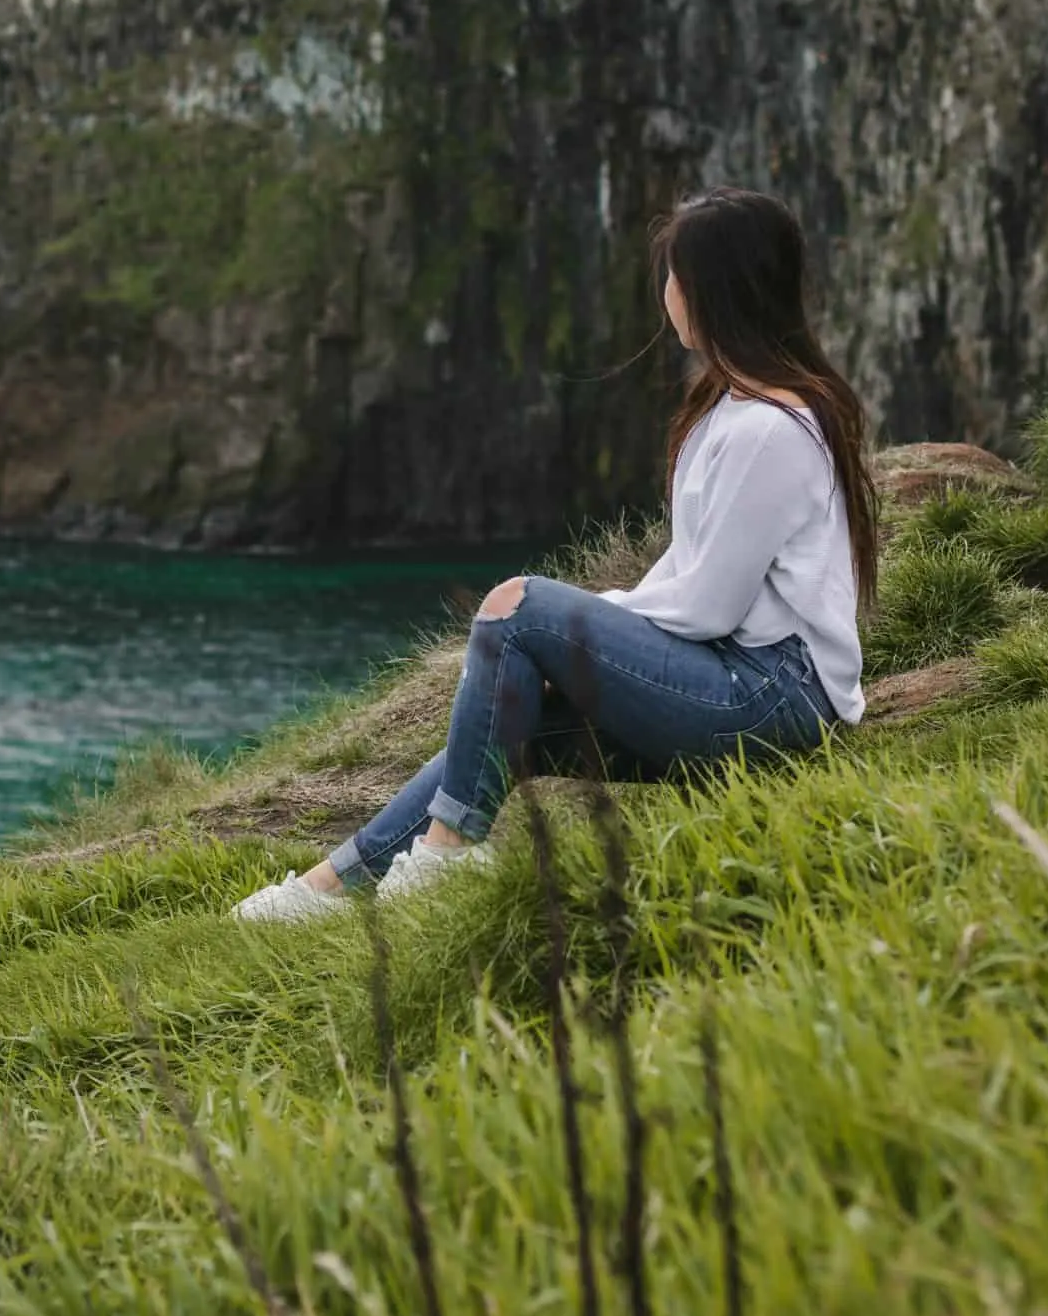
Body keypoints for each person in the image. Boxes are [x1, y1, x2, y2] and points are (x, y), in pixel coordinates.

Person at [232, 187, 877, 923]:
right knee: (517, 720)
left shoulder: (769, 429)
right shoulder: (733, 409)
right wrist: (588, 639)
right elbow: (687, 573)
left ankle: (445, 861)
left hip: (770, 702)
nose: (665, 291)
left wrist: (565, 623)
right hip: (747, 683)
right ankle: (331, 889)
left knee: (517, 610)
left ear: (713, 289)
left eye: (674, 273)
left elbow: (706, 607)